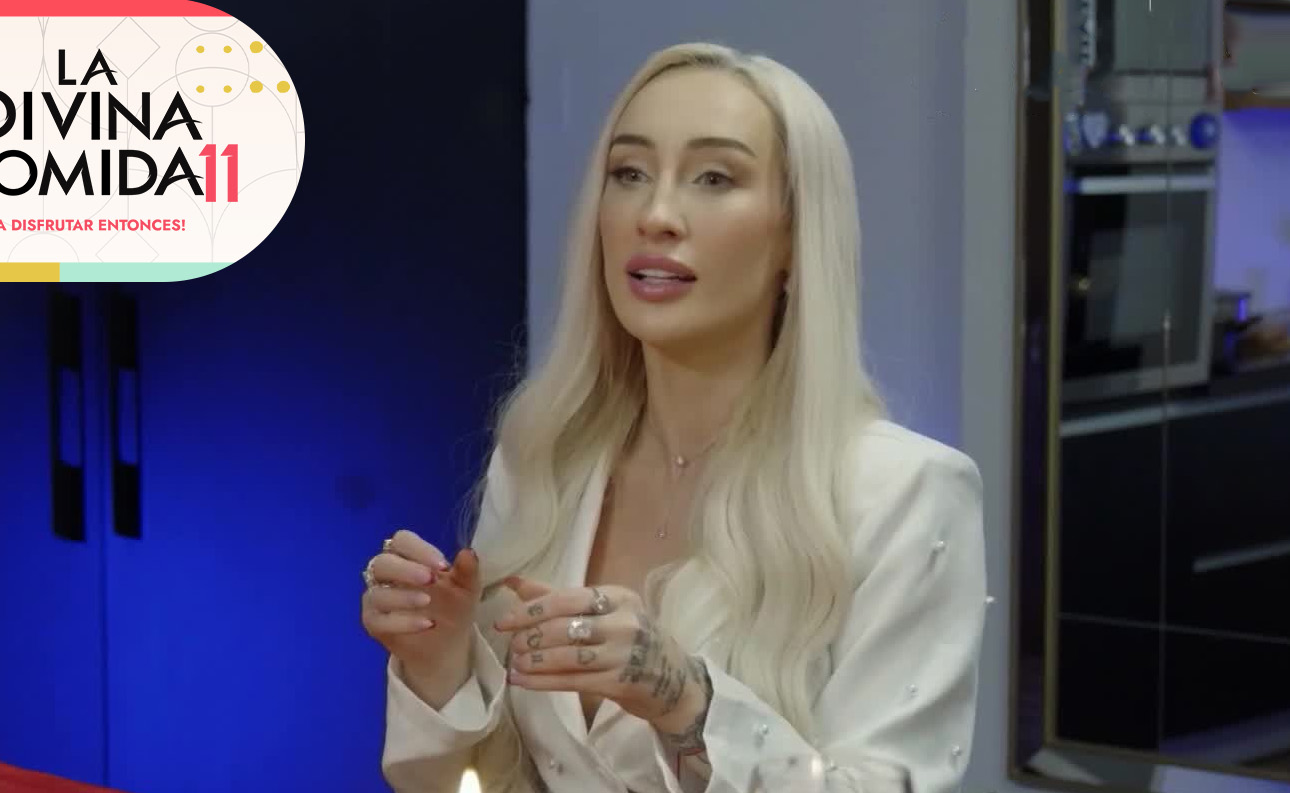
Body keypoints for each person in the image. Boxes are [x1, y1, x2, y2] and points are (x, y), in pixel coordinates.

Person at [362, 41, 987, 793]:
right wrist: (442, 669)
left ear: (796, 236)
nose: (655, 215)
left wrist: (687, 704)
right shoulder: (542, 461)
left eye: (714, 178)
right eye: (629, 174)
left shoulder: (907, 494)